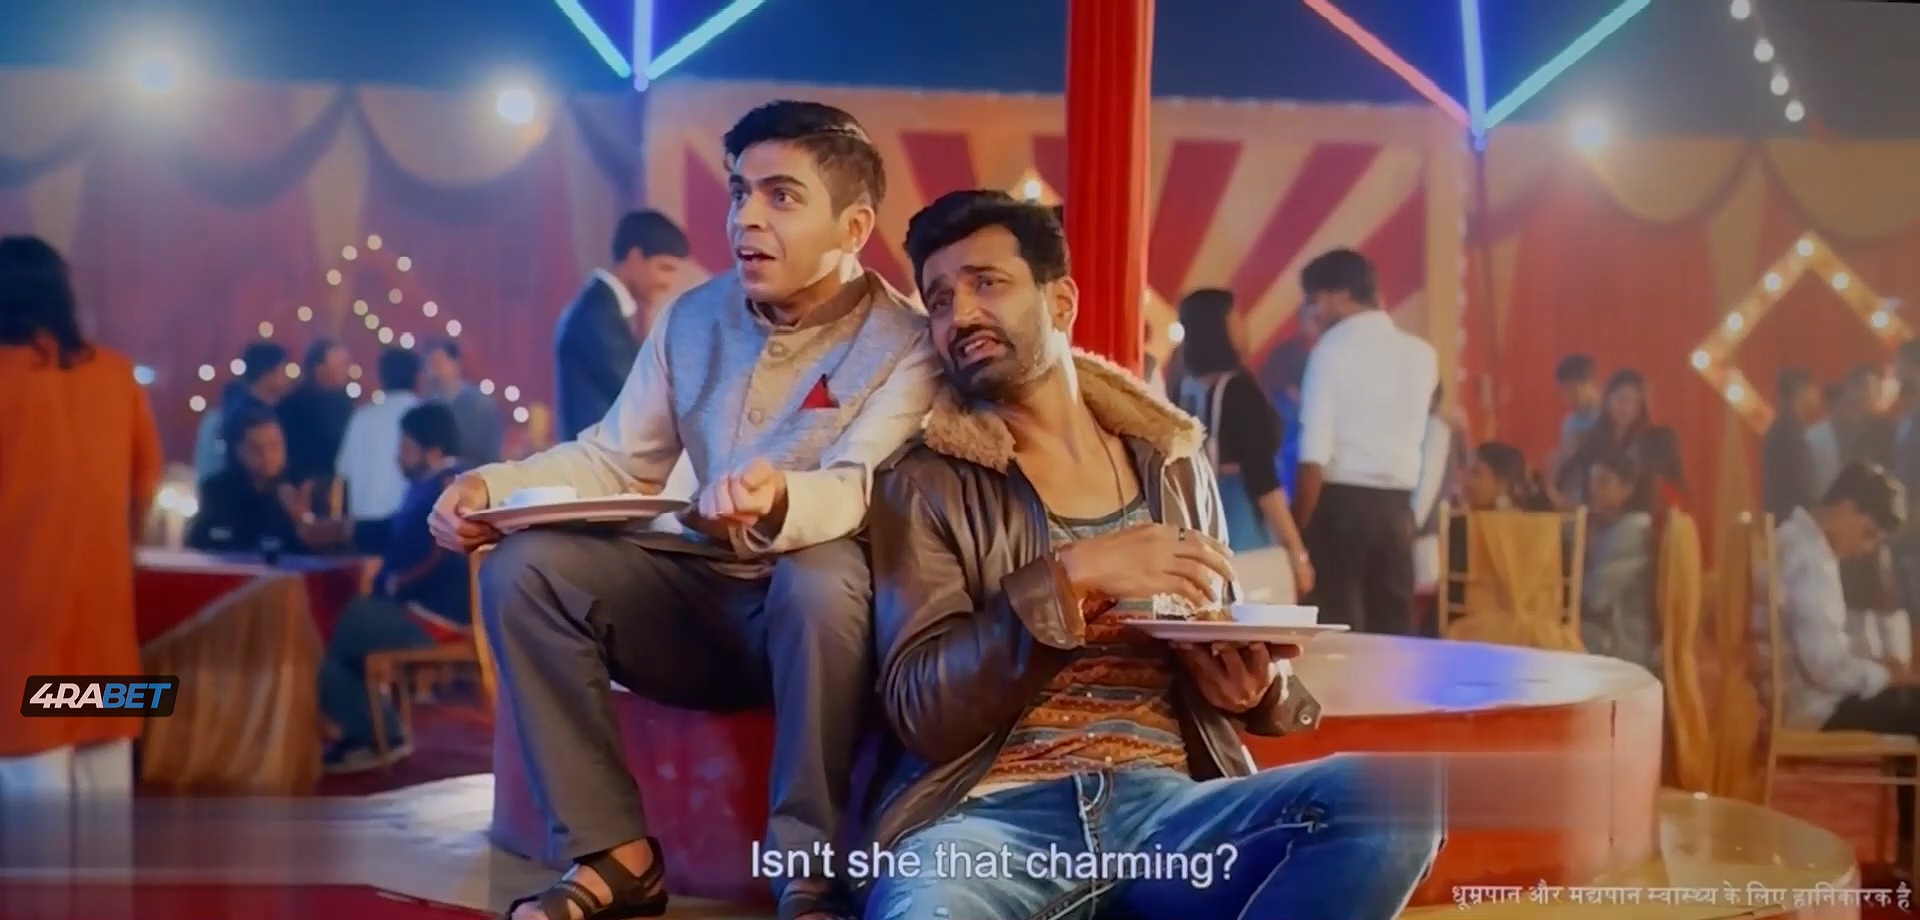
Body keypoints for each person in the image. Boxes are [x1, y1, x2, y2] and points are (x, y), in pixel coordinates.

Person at [861, 190, 1439, 920]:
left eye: (988, 283)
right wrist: (1070, 577)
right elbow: (921, 708)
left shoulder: (1172, 465)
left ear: (1061, 302)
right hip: (990, 823)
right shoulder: (925, 482)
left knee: (1395, 797)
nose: (961, 315)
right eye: (940, 299)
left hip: (1168, 813)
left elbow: (1223, 629)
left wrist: (1254, 688)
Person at [431, 100, 938, 920]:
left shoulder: (906, 340)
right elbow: (615, 456)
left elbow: (854, 484)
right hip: (694, 600)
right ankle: (614, 857)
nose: (747, 219)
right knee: (523, 569)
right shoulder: (693, 316)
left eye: (782, 196)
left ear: (853, 228)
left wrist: (778, 497)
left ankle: (807, 874)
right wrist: (490, 485)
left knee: (819, 577)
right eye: (740, 192)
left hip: (816, 624)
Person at [0, 235, 162, 818]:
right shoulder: (115, 375)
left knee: (31, 827)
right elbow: (143, 490)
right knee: (105, 827)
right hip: (103, 632)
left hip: (18, 636)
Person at [1766, 462, 1920, 867]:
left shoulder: (1791, 537)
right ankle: (1911, 850)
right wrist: (1887, 675)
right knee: (1913, 705)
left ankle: (1910, 848)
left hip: (1796, 696)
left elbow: (1824, 647)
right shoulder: (1811, 559)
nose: (1867, 548)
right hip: (1814, 707)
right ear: (1848, 507)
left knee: (1908, 702)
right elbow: (1827, 668)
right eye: (1868, 533)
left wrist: (1879, 670)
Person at [316, 403, 470, 772]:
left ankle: (375, 732)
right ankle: (372, 728)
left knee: (328, 622)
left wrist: (389, 584)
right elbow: (394, 531)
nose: (398, 455)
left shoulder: (444, 489)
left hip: (433, 617)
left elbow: (425, 556)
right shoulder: (438, 484)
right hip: (426, 610)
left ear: (432, 450)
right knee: (341, 622)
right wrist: (345, 530)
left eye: (405, 446)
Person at [1294, 248, 1438, 636]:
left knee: (1336, 640)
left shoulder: (1330, 352)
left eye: (1314, 299)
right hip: (1397, 510)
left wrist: (1297, 531)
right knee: (1392, 638)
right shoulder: (1423, 355)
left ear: (1341, 294)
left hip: (1339, 510)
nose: (1313, 312)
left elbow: (1312, 458)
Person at [1170, 288, 1312, 588]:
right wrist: (1295, 549)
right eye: (1236, 319)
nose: (1243, 326)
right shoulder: (1239, 389)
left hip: (1195, 510)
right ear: (1218, 328)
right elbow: (1262, 477)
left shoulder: (1183, 386)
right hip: (1238, 514)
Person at [554, 211, 688, 442]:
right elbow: (641, 393)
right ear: (635, 258)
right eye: (664, 268)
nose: (668, 283)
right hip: (593, 460)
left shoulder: (606, 310)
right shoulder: (596, 314)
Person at [186, 408, 310, 555]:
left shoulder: (302, 488)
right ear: (239, 450)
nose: (267, 456)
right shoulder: (218, 490)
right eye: (256, 448)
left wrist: (300, 520)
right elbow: (198, 541)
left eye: (273, 446)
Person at [1580, 450, 1658, 674]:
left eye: (1603, 482)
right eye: (1592, 480)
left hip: (1621, 643)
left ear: (1627, 489)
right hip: (1610, 632)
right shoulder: (1617, 526)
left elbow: (1596, 596)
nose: (1593, 489)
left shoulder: (1633, 529)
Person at [337, 347, 427, 537]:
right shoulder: (425, 416)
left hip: (361, 528)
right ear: (418, 376)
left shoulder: (361, 417)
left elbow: (342, 474)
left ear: (381, 377)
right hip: (407, 529)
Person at [1555, 368, 1650, 507]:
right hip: (1593, 512)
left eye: (1635, 404)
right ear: (1608, 398)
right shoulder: (1592, 438)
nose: (1627, 409)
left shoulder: (1645, 444)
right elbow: (1569, 475)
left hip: (1634, 514)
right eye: (1622, 400)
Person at [277, 339, 356, 483]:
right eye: (340, 364)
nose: (346, 370)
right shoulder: (292, 405)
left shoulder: (344, 402)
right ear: (319, 368)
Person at [422, 337, 504, 465]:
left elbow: (492, 455)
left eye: (437, 364)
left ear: (456, 364)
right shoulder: (426, 407)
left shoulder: (481, 405)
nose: (432, 372)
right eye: (429, 365)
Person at [1763, 367, 1821, 522]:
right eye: (1813, 389)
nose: (1817, 395)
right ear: (1801, 391)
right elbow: (1800, 484)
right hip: (1791, 519)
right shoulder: (1788, 431)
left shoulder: (1787, 426)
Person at [1550, 354, 1602, 476]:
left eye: (1572, 390)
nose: (1567, 398)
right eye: (1562, 392)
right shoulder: (1569, 422)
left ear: (1591, 383)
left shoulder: (1611, 415)